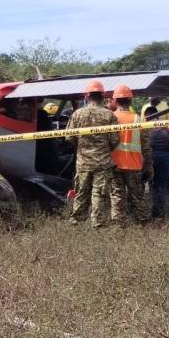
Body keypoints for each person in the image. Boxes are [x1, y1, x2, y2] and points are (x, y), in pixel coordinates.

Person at [66, 80, 119, 228]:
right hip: (102, 163)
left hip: (83, 162)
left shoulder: (77, 114)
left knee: (81, 192)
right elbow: (115, 140)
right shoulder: (109, 115)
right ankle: (98, 224)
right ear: (102, 96)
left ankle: (76, 222)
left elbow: (69, 137)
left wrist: (82, 146)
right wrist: (103, 149)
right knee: (99, 194)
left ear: (87, 96)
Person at [109, 84, 151, 224]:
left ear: (115, 100)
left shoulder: (111, 118)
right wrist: (149, 165)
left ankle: (119, 224)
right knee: (137, 195)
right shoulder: (139, 119)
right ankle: (142, 221)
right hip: (134, 165)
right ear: (131, 100)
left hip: (115, 165)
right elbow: (145, 146)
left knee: (117, 195)